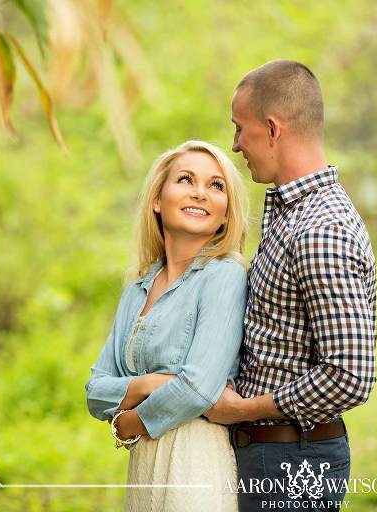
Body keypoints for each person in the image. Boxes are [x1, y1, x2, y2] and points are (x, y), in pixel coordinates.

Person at [205, 60, 377, 511]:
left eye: (240, 129)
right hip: (271, 454)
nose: (235, 144)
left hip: (292, 463)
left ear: (272, 128)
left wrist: (242, 410)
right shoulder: (287, 214)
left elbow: (349, 376)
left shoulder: (321, 227)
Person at [86, 139, 248, 511]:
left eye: (216, 185)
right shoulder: (136, 289)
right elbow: (95, 392)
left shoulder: (224, 277)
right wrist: (151, 383)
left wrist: (129, 423)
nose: (200, 193)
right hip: (143, 465)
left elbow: (198, 390)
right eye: (186, 179)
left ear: (226, 213)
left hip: (195, 457)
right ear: (157, 200)